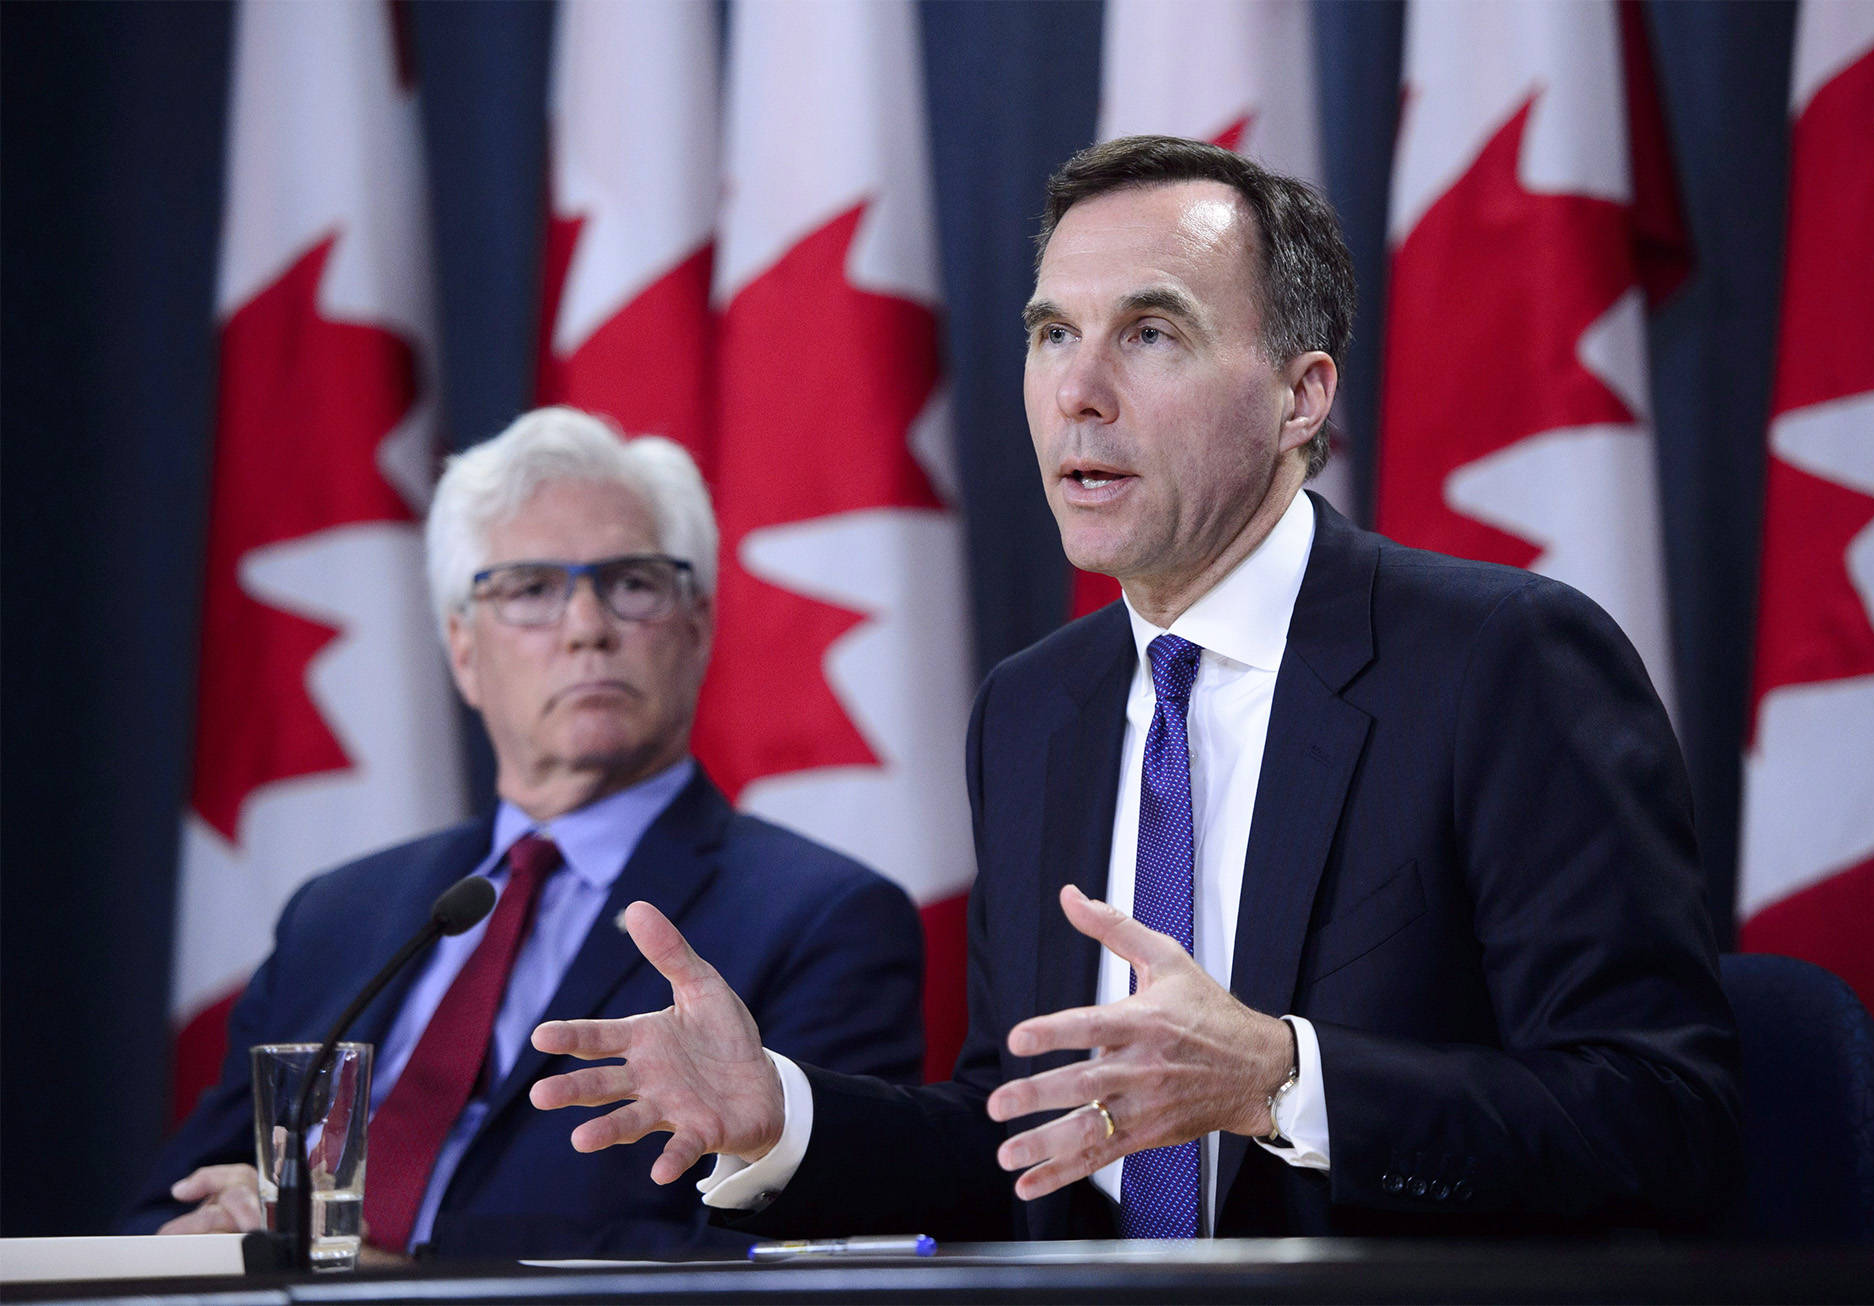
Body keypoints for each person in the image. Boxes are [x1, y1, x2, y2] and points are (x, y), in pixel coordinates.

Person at [529, 136, 1740, 1241]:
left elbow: (1662, 1115)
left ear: (1298, 396)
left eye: (1149, 333)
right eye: (1052, 333)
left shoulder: (1500, 662)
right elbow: (1016, 1137)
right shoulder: (1033, 708)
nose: (1077, 392)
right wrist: (779, 1116)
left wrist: (1278, 1079)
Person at [122, 407, 925, 1259]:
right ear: (463, 650)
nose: (586, 627)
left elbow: (773, 1262)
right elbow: (155, 1216)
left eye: (633, 583)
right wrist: (215, 1225)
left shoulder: (823, 919)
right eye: (532, 589)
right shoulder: (339, 914)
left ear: (698, 630)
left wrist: (400, 1277)